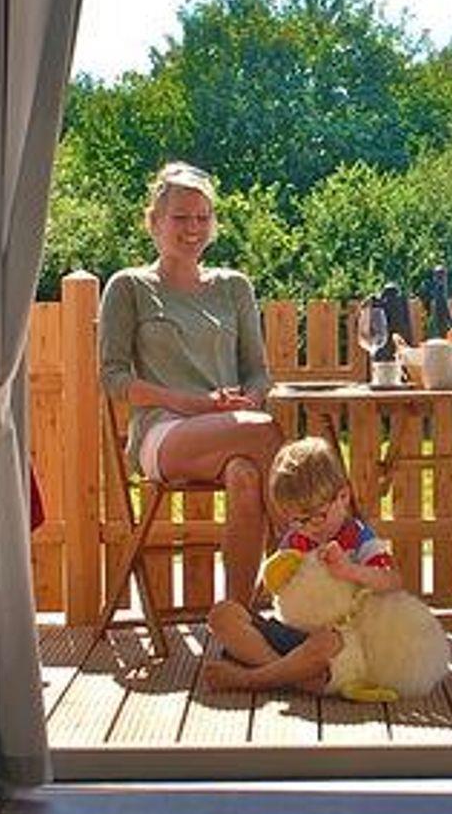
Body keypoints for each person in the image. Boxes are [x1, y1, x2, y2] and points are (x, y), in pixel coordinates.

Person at [100, 161, 285, 639]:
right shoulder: (129, 286)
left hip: (235, 430)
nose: (193, 228)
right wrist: (196, 404)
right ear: (153, 222)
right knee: (265, 433)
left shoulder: (234, 287)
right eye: (180, 217)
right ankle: (307, 563)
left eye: (203, 217)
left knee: (246, 476)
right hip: (163, 432)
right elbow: (114, 379)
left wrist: (249, 400)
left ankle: (237, 623)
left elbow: (258, 373)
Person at [203, 436, 405, 694]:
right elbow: (275, 590)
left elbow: (393, 582)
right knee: (222, 615)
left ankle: (251, 679)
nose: (309, 528)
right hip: (290, 633)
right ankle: (293, 676)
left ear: (343, 496)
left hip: (334, 641)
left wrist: (349, 570)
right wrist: (273, 580)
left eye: (318, 517)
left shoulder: (359, 537)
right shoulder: (295, 539)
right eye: (297, 520)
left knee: (327, 643)